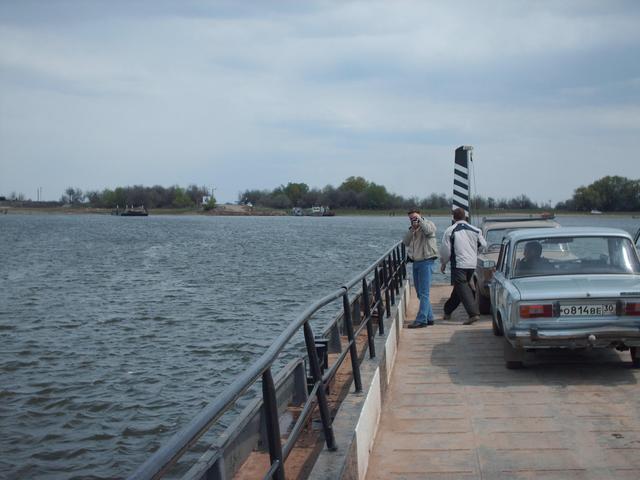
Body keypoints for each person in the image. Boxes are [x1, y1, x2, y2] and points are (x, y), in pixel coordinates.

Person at [439, 208, 487, 325]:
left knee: (462, 286)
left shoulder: (450, 231)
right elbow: (484, 245)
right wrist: (475, 252)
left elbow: (446, 251)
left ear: (453, 218)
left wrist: (443, 263)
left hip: (459, 264)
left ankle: (473, 314)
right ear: (465, 217)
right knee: (459, 289)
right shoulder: (476, 230)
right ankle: (447, 310)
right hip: (471, 264)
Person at [403, 209, 438, 328]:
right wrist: (412, 228)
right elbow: (405, 242)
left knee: (424, 292)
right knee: (420, 293)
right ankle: (430, 317)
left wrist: (421, 221)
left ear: (420, 216)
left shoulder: (429, 224)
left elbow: (429, 232)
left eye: (415, 218)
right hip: (416, 262)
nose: (413, 220)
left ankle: (421, 320)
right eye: (411, 219)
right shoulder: (413, 230)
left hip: (426, 261)